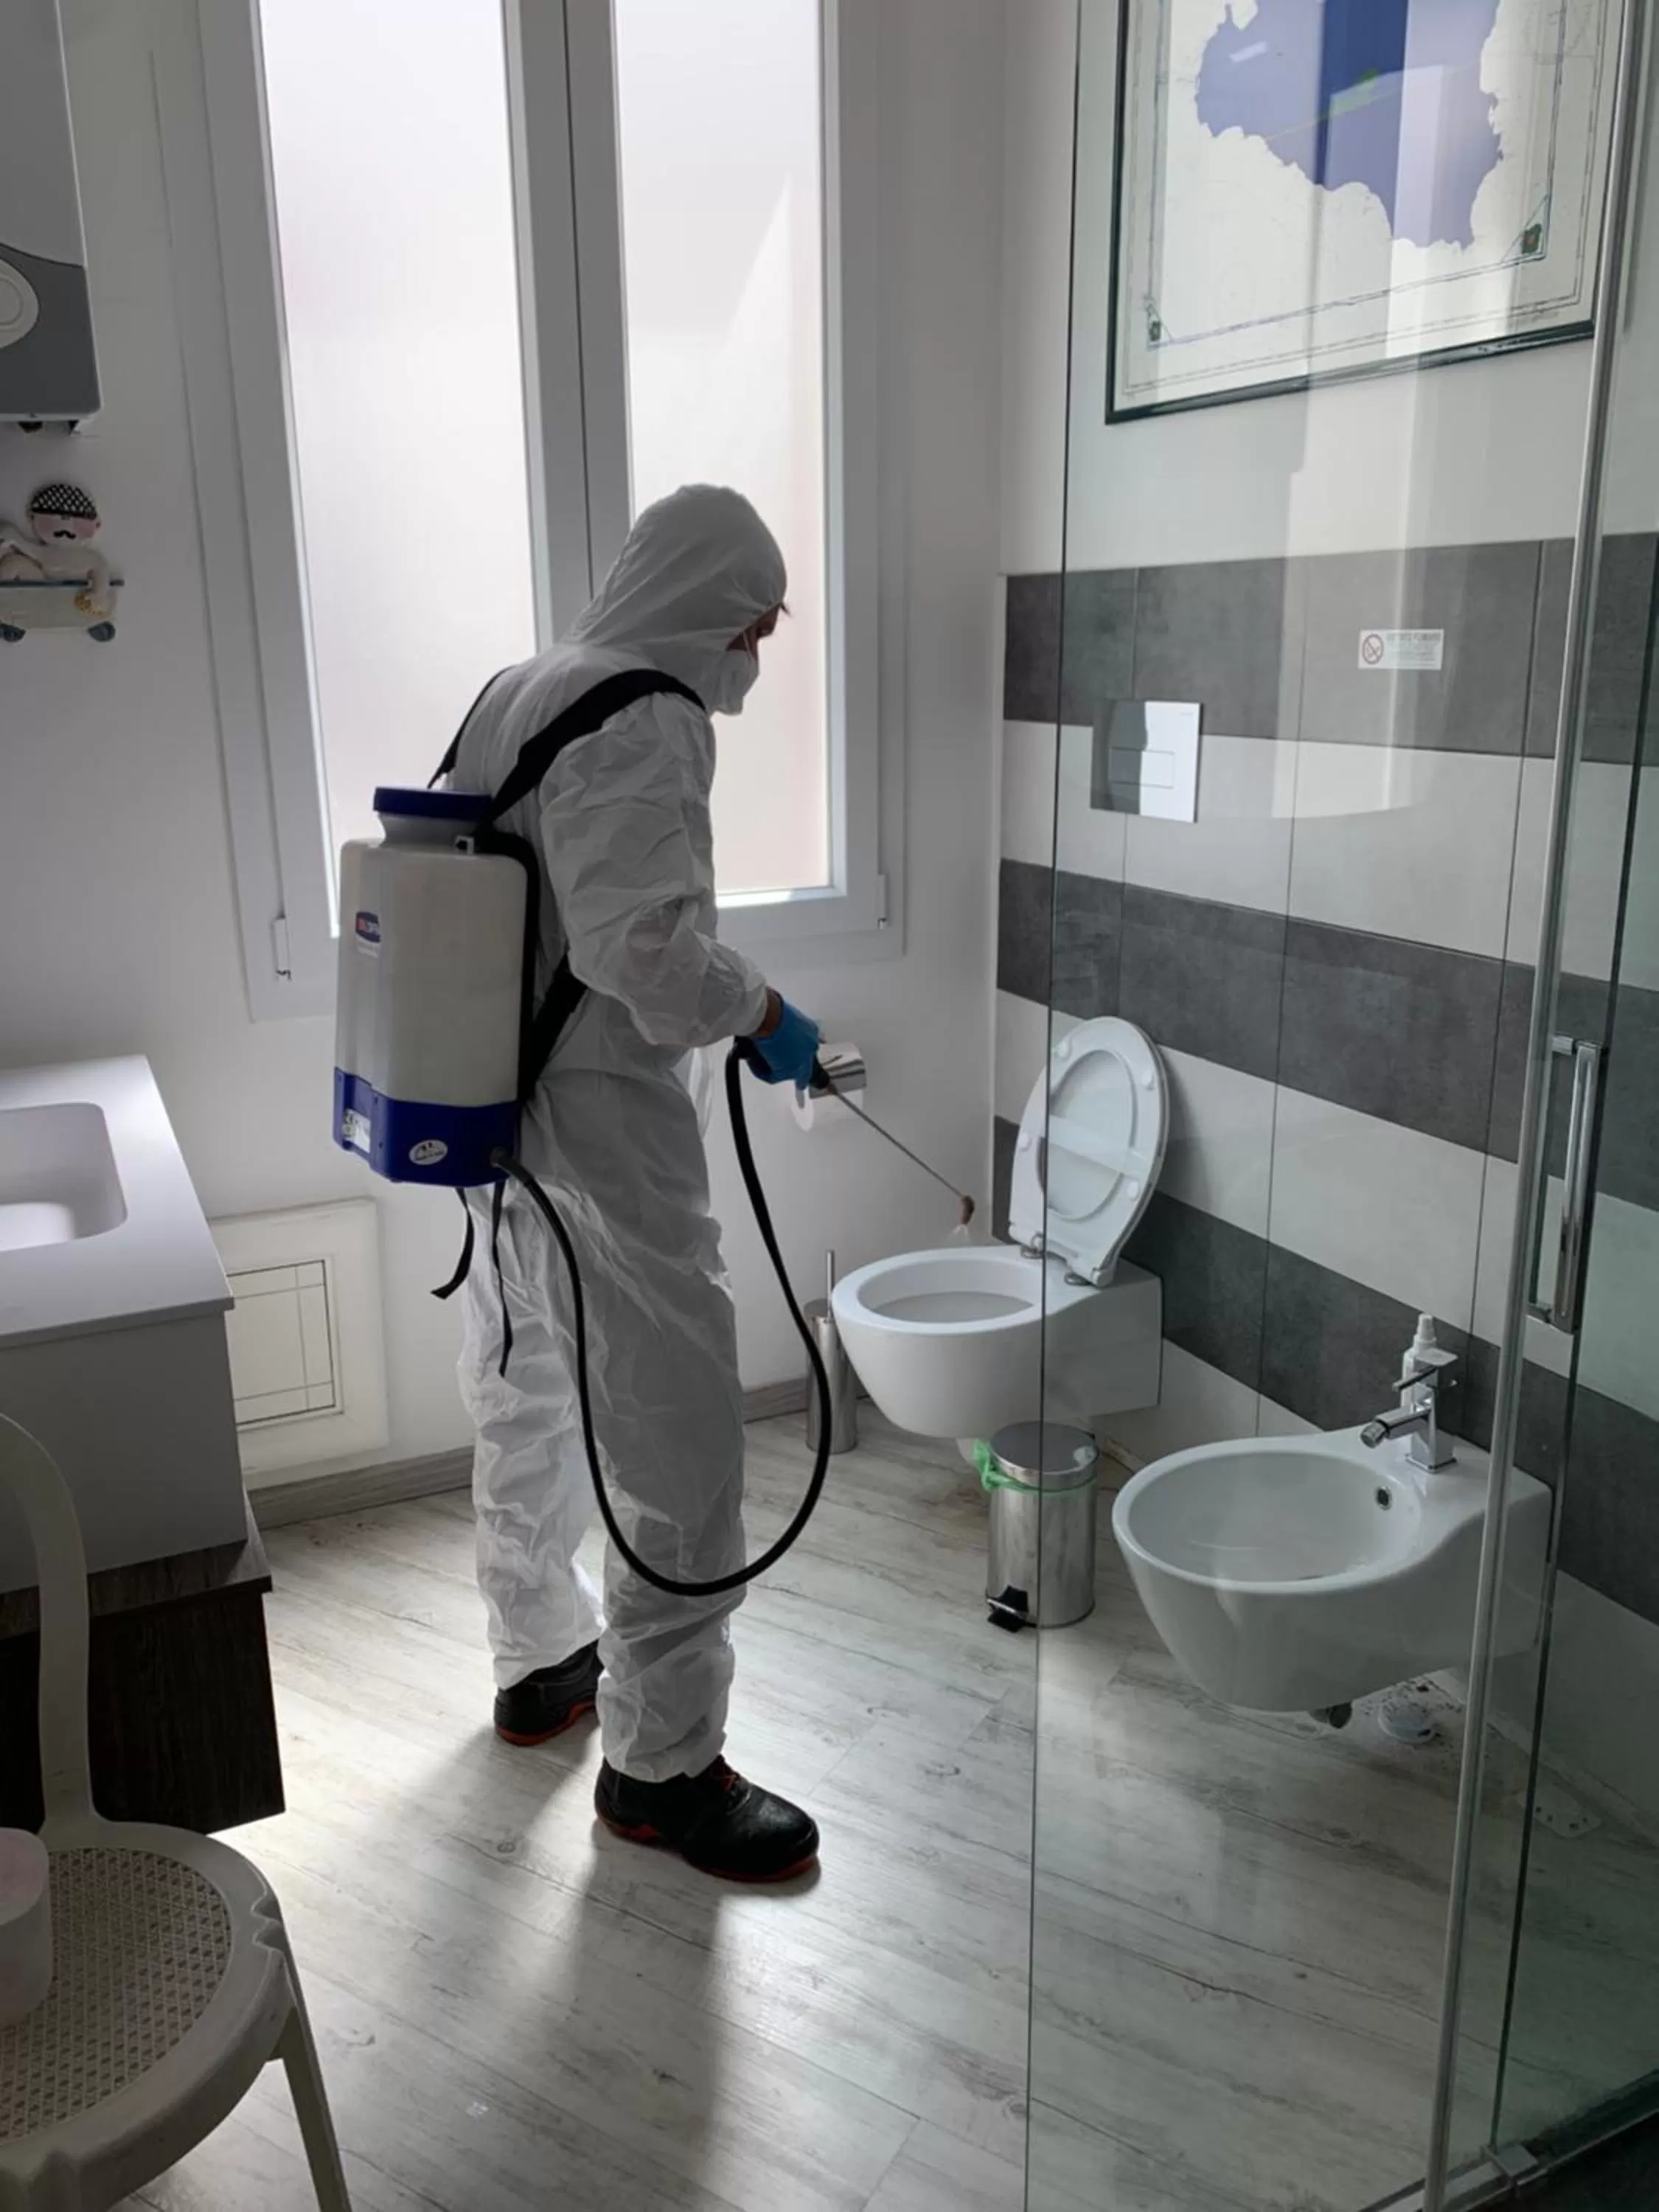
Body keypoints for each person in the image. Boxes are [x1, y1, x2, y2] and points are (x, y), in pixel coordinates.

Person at [447, 484, 822, 1885]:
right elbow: (642, 958)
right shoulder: (645, 710)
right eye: (752, 625)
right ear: (700, 604)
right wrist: (760, 1002)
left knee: (527, 1390)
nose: (752, 659)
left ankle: (539, 1661)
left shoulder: (521, 686)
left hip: (490, 1117)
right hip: (598, 1127)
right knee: (672, 1438)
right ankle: (661, 1771)